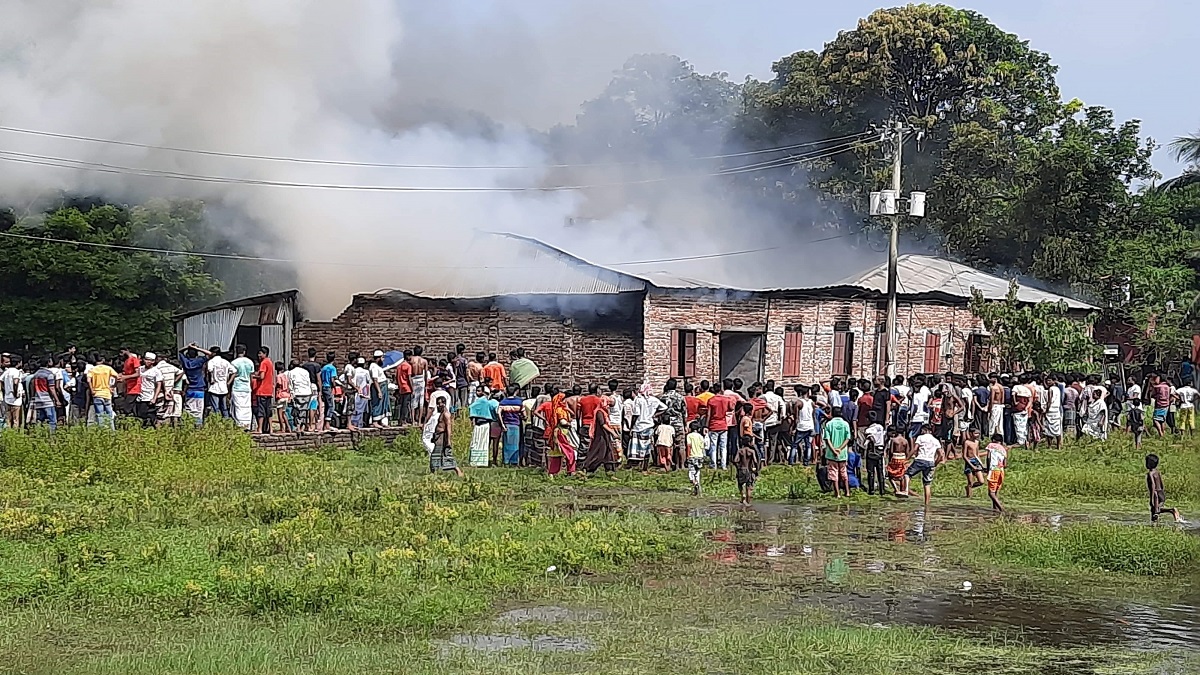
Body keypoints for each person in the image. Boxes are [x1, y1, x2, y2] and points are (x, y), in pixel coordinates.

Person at [628, 384, 665, 471]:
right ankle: (645, 467)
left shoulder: (639, 400)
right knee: (647, 447)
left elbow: (636, 414)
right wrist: (654, 415)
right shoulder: (654, 400)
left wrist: (631, 426)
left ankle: (636, 466)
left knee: (637, 448)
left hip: (639, 426)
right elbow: (664, 407)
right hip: (649, 426)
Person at [906, 424, 945, 507]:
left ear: (924, 430)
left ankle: (905, 491)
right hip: (930, 462)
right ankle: (927, 504)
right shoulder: (936, 440)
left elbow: (915, 449)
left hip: (920, 459)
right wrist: (935, 463)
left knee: (907, 474)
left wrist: (907, 458)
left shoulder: (920, 437)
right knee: (927, 484)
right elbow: (941, 454)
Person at [426, 395, 463, 477]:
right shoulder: (442, 413)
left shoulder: (446, 414)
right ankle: (434, 473)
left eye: (440, 403)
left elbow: (448, 427)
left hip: (443, 437)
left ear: (444, 404)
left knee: (443, 455)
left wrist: (448, 440)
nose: (439, 405)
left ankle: (457, 470)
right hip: (438, 436)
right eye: (437, 404)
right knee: (437, 456)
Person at [582, 398, 619, 475]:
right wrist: (613, 432)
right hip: (600, 436)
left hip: (605, 435)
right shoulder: (599, 412)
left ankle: (610, 470)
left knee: (608, 452)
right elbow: (603, 424)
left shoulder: (604, 412)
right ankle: (587, 468)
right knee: (598, 454)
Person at [822, 406, 852, 498]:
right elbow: (848, 438)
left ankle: (837, 493)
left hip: (831, 453)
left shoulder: (829, 424)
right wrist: (840, 448)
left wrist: (834, 450)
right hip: (842, 453)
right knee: (843, 472)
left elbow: (827, 439)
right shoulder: (845, 424)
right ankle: (847, 492)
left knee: (833, 472)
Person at [1145, 453, 1184, 523]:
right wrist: (1162, 493)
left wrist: (1152, 498)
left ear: (1149, 464)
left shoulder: (1150, 473)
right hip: (1161, 492)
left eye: (1147, 462)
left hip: (1156, 494)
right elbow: (1161, 483)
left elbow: (1153, 485)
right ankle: (1172, 512)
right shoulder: (1157, 472)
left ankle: (1170, 511)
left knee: (1155, 511)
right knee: (1157, 510)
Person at [546, 391, 577, 477]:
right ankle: (569, 471)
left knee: (562, 453)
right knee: (569, 452)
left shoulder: (563, 409)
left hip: (564, 433)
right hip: (561, 432)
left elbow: (572, 416)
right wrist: (568, 424)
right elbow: (562, 422)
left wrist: (568, 410)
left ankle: (563, 472)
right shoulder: (559, 410)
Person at [706, 380, 734, 469]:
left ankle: (713, 464)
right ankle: (723, 465)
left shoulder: (711, 400)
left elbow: (709, 414)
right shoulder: (726, 399)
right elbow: (731, 408)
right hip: (723, 424)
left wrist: (706, 425)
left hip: (713, 424)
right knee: (723, 446)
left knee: (713, 446)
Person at [178, 344, 209, 425]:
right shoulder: (199, 361)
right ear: (196, 354)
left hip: (189, 388)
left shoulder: (186, 362)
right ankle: (198, 424)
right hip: (199, 388)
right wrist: (197, 348)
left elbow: (180, 352)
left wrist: (188, 347)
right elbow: (209, 354)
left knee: (189, 407)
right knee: (199, 409)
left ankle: (188, 422)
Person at [86, 354, 117, 429]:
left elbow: (88, 380)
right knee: (109, 414)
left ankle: (102, 430)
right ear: (103, 360)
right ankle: (112, 430)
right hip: (107, 393)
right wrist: (113, 386)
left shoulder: (92, 369)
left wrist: (92, 390)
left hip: (97, 394)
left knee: (100, 414)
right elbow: (116, 376)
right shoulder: (108, 368)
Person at [29, 359, 62, 431]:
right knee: (52, 421)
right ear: (48, 363)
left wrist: (32, 398)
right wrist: (57, 400)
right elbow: (52, 388)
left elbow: (32, 386)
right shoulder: (49, 374)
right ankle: (51, 437)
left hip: (38, 400)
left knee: (40, 420)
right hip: (48, 401)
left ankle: (40, 434)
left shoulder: (36, 374)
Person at [228, 346, 255, 430]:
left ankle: (239, 424)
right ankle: (247, 424)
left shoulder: (234, 363)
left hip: (237, 387)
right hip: (247, 388)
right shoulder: (250, 362)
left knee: (238, 407)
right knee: (247, 407)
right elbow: (251, 376)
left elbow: (231, 376)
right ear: (244, 351)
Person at [204, 347, 233, 419]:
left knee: (215, 408)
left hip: (214, 387)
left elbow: (210, 371)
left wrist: (211, 380)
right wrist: (228, 382)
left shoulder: (211, 361)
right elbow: (234, 371)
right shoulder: (225, 362)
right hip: (224, 387)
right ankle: (226, 422)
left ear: (213, 353)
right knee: (224, 408)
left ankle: (217, 422)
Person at [732, 431, 760, 505]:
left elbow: (735, 460)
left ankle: (742, 495)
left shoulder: (740, 451)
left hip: (741, 469)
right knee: (749, 487)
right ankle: (748, 502)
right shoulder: (752, 451)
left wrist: (738, 467)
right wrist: (756, 470)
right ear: (750, 442)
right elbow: (755, 461)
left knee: (740, 484)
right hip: (749, 470)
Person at [467, 389, 493, 467]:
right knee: (483, 443)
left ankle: (476, 461)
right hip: (484, 424)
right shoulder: (484, 401)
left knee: (477, 442)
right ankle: (482, 462)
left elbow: (471, 407)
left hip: (480, 424)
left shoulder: (482, 401)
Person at [498, 385, 524, 466]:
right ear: (515, 392)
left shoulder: (503, 402)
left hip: (506, 424)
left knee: (506, 443)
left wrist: (502, 424)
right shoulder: (519, 402)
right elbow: (524, 413)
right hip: (516, 424)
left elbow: (498, 412)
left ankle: (506, 460)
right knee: (515, 443)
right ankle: (514, 461)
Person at [863, 412, 886, 497]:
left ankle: (871, 490)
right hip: (880, 450)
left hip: (872, 452)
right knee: (880, 471)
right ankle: (882, 490)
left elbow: (870, 439)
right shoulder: (880, 427)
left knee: (871, 472)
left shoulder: (868, 430)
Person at [287, 360, 314, 431]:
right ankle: (303, 427)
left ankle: (298, 427)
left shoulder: (291, 372)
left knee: (297, 411)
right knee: (304, 411)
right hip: (307, 393)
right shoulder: (305, 371)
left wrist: (292, 393)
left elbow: (290, 385)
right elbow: (308, 382)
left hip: (298, 393)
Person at [408, 347, 430, 425]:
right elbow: (426, 373)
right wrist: (426, 384)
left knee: (413, 400)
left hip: (414, 378)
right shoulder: (424, 361)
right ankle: (420, 421)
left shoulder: (411, 360)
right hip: (421, 379)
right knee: (421, 400)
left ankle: (413, 421)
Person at [2, 355, 25, 430]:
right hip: (15, 400)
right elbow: (15, 382)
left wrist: (5, 390)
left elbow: (1, 381)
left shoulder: (6, 371)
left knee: (8, 419)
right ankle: (15, 435)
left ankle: (9, 434)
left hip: (7, 398)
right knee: (16, 419)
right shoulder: (16, 372)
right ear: (18, 363)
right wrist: (15, 393)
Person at [685, 421, 707, 496]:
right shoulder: (700, 436)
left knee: (691, 473)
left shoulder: (689, 436)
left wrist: (687, 456)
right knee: (697, 472)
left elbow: (689, 446)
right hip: (700, 456)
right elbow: (703, 447)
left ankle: (695, 483)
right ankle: (697, 486)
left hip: (692, 456)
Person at [962, 428, 986, 497]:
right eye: (975, 433)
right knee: (970, 481)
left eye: (978, 433)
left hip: (976, 461)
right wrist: (971, 466)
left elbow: (977, 454)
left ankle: (968, 488)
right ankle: (968, 496)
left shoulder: (977, 442)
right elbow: (964, 456)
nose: (977, 435)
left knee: (981, 481)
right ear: (970, 433)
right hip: (969, 462)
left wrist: (981, 465)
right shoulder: (966, 442)